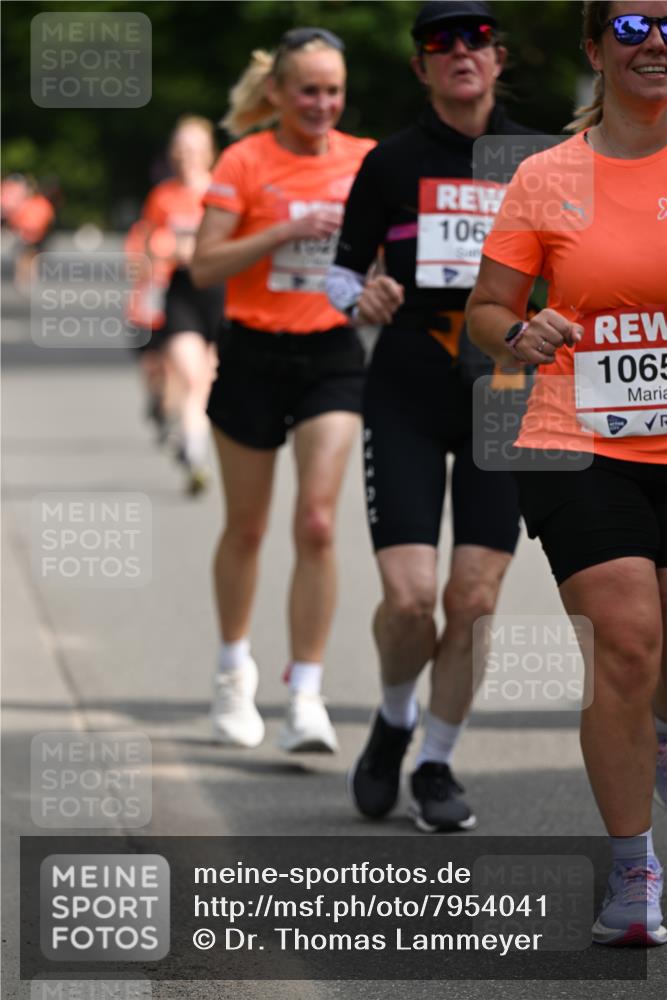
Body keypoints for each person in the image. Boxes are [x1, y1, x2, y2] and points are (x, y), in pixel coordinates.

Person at [466, 0, 667, 946]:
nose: (655, 43)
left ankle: (650, 727)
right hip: (574, 436)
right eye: (631, 27)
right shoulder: (546, 178)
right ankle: (633, 875)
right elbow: (486, 308)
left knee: (657, 661)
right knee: (626, 640)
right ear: (595, 49)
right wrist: (519, 329)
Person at [326, 0, 533, 832]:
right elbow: (340, 272)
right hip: (408, 384)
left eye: (475, 39)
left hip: (504, 391)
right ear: (419, 67)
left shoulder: (541, 158)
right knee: (412, 601)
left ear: (498, 56)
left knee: (474, 598)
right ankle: (392, 717)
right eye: (438, 43)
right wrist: (360, 294)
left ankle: (437, 761)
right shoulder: (390, 161)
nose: (458, 52)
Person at [191, 28, 375, 751]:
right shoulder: (244, 159)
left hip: (331, 351)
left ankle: (307, 691)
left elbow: (391, 247)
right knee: (247, 527)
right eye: (308, 90)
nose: (323, 104)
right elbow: (203, 266)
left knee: (319, 523)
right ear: (276, 92)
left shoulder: (365, 159)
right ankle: (233, 674)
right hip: (252, 352)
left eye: (333, 90)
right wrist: (283, 230)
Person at [128, 117, 224, 493]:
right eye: (180, 150)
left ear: (208, 152)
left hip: (220, 293)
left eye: (194, 149)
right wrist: (165, 253)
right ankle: (196, 459)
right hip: (182, 293)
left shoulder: (223, 191)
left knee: (206, 382)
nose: (187, 157)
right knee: (191, 374)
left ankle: (191, 442)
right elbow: (150, 246)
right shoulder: (163, 197)